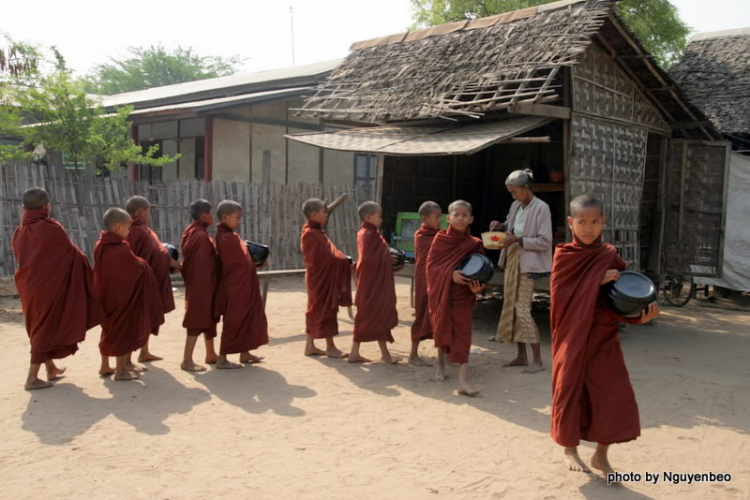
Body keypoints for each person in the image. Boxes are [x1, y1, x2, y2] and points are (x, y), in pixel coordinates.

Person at [550, 194, 659, 475]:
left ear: (603, 222)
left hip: (603, 338)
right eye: (582, 222)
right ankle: (569, 449)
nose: (588, 229)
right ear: (570, 223)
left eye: (595, 222)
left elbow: (622, 297)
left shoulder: (608, 255)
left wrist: (639, 316)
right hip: (572, 338)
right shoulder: (565, 255)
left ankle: (601, 454)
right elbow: (560, 297)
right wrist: (593, 281)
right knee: (570, 392)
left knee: (613, 395)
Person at [12, 187, 102, 390]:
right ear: (47, 206)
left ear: (24, 208)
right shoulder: (51, 228)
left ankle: (50, 368)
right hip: (48, 287)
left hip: (29, 286)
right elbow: (72, 254)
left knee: (39, 325)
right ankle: (32, 379)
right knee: (44, 327)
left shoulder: (19, 232)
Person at [490, 169, 552, 374]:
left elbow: (545, 241)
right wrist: (501, 225)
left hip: (529, 264)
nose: (513, 195)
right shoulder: (516, 205)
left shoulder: (542, 208)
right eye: (511, 192)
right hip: (513, 259)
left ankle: (538, 360)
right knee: (513, 307)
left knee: (523, 310)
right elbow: (513, 226)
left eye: (515, 191)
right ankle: (521, 356)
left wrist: (518, 240)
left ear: (527, 188)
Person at [94, 208, 165, 381]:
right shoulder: (119, 250)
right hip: (120, 298)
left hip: (106, 296)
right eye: (127, 228)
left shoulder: (100, 245)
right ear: (118, 227)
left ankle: (107, 365)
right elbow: (135, 268)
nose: (129, 232)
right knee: (122, 331)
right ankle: (120, 371)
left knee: (108, 329)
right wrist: (144, 265)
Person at [427, 200, 484, 396]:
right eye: (456, 215)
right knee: (442, 330)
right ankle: (440, 363)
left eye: (464, 215)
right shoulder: (441, 240)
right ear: (448, 218)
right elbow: (431, 267)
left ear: (471, 219)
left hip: (463, 296)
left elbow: (482, 269)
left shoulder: (474, 243)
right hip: (443, 294)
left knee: (463, 335)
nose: (460, 218)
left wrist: (478, 287)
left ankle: (462, 382)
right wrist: (450, 274)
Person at [213, 200, 269, 369]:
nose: (239, 221)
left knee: (248, 318)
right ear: (225, 217)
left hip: (245, 285)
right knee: (234, 320)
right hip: (234, 287)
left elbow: (244, 259)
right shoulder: (223, 238)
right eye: (237, 218)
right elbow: (233, 264)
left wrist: (256, 264)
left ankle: (245, 353)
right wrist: (249, 265)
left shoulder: (233, 236)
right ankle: (222, 358)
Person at [125, 196, 179, 363]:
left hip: (143, 279)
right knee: (137, 319)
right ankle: (126, 361)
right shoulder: (139, 231)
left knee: (146, 317)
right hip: (139, 281)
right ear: (140, 211)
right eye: (149, 211)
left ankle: (144, 352)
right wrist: (176, 264)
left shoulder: (138, 230)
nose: (150, 214)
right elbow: (159, 254)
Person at [349, 201, 400, 364]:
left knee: (380, 316)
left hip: (375, 282)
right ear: (368, 217)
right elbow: (368, 260)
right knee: (366, 315)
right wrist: (386, 257)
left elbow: (375, 255)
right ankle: (354, 353)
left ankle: (385, 354)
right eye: (379, 216)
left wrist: (386, 256)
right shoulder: (367, 234)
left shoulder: (369, 233)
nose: (381, 219)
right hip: (371, 284)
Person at [300, 198, 352, 358]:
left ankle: (310, 346)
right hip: (320, 278)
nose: (326, 214)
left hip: (318, 277)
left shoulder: (315, 231)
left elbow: (328, 253)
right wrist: (344, 261)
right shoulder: (311, 234)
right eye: (324, 212)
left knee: (314, 310)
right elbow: (327, 257)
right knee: (325, 309)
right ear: (314, 214)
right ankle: (330, 347)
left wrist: (340, 259)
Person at [180, 199, 220, 372]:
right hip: (201, 284)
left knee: (209, 318)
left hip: (202, 283)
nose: (213, 216)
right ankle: (187, 360)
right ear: (204, 215)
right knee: (196, 319)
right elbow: (202, 265)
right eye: (211, 213)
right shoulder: (200, 237)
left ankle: (211, 353)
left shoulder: (191, 231)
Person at [409, 201, 442, 367]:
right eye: (436, 217)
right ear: (424, 218)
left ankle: (445, 356)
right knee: (421, 314)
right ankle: (413, 354)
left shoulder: (440, 234)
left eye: (440, 217)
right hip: (424, 279)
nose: (440, 220)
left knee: (441, 316)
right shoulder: (421, 236)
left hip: (438, 280)